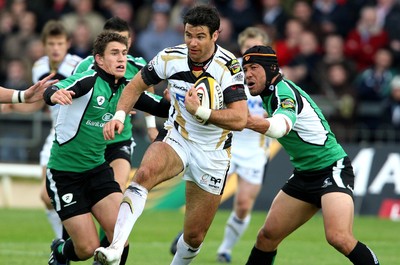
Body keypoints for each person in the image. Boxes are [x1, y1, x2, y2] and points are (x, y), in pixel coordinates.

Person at [95, 5, 248, 265]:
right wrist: (119, 115)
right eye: (188, 35)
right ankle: (115, 248)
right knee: (143, 175)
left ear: (215, 36)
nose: (192, 42)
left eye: (200, 36)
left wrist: (201, 111)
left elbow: (240, 118)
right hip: (178, 136)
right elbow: (134, 87)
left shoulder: (229, 67)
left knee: (194, 237)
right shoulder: (170, 57)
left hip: (213, 152)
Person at [241, 45, 380, 265]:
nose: (248, 74)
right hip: (304, 175)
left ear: (271, 69)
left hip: (332, 169)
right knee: (267, 237)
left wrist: (242, 120)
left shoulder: (284, 91)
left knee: (339, 238)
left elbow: (278, 128)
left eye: (254, 67)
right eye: (245, 68)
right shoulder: (268, 93)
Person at [43, 31, 169, 265]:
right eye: (114, 53)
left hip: (97, 170)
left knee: (119, 238)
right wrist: (54, 93)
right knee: (87, 248)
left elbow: (161, 107)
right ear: (99, 59)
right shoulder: (88, 80)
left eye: (124, 53)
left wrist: (176, 100)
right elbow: (54, 89)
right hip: (65, 175)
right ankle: (60, 250)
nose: (121, 59)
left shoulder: (126, 90)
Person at [73, 15, 161, 250]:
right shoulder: (86, 67)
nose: (120, 53)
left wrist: (151, 126)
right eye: (114, 47)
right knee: (87, 201)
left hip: (119, 140)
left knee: (117, 191)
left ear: (130, 43)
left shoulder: (138, 66)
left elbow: (149, 92)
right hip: (91, 141)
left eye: (123, 44)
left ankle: (108, 245)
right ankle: (73, 241)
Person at [1, 20, 82, 241]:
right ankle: (63, 245)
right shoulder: (39, 67)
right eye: (51, 44)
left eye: (60, 43)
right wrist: (13, 104)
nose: (56, 48)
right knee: (46, 196)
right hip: (56, 135)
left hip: (81, 135)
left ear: (68, 44)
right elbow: (38, 102)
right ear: (44, 46)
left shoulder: (79, 65)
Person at [216, 26, 271, 263]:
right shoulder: (230, 70)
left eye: (256, 46)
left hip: (255, 149)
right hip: (229, 142)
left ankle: (225, 249)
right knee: (211, 195)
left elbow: (278, 109)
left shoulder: (271, 74)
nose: (251, 50)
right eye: (247, 47)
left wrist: (265, 120)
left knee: (243, 204)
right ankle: (189, 236)